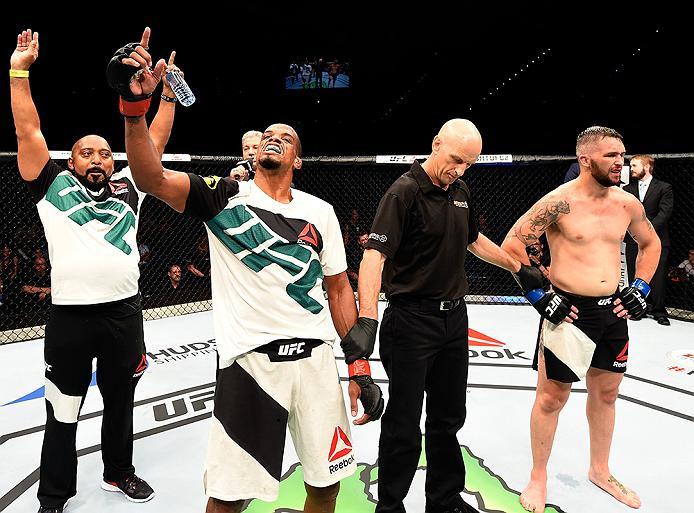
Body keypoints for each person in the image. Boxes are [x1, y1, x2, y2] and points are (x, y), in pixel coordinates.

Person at [107, 28, 383, 513]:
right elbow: (149, 176)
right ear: (255, 153)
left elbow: (339, 287)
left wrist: (358, 364)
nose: (274, 137)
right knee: (229, 499)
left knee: (326, 487)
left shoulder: (320, 211)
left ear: (298, 159)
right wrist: (137, 108)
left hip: (317, 361)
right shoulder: (223, 195)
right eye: (268, 135)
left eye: (286, 137)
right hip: (251, 364)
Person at [9, 28, 179, 512]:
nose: (99, 158)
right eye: (88, 152)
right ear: (72, 159)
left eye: (106, 152)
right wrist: (20, 71)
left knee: (121, 402)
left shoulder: (130, 189)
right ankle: (54, 495)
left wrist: (165, 94)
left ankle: (118, 472)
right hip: (70, 320)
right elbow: (28, 132)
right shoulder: (52, 188)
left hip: (124, 315)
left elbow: (156, 142)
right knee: (62, 409)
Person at [347, 119, 526, 513]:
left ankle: (444, 500)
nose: (460, 170)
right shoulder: (404, 192)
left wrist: (515, 265)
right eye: (456, 159)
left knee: (448, 419)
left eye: (469, 164)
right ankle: (390, 506)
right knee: (403, 425)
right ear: (435, 144)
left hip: (453, 321)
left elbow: (474, 241)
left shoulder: (460, 189)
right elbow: (375, 256)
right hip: (411, 322)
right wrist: (368, 318)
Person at [501, 126, 661, 513]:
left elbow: (650, 243)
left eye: (622, 154)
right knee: (553, 397)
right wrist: (539, 295)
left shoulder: (627, 204)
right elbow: (512, 245)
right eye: (611, 155)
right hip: (569, 313)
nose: (620, 162)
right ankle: (538, 477)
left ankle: (600, 470)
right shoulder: (559, 202)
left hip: (613, 311)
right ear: (586, 160)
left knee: (606, 394)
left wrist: (640, 287)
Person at [623, 154, 674, 325]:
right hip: (633, 240)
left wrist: (646, 231)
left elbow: (665, 213)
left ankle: (659, 311)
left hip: (657, 238)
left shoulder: (664, 187)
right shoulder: (627, 189)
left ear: (646, 167)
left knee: (658, 275)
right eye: (631, 166)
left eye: (634, 166)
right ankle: (638, 308)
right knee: (634, 273)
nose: (631, 169)